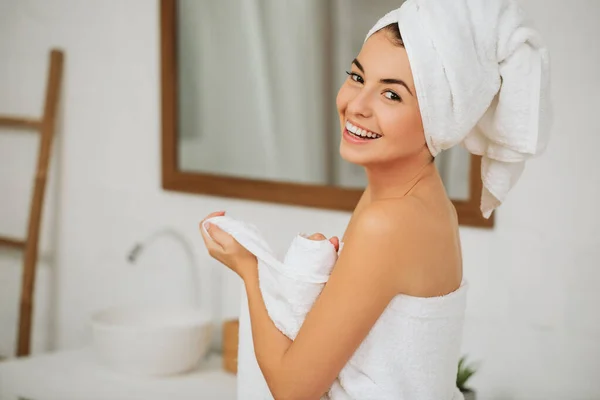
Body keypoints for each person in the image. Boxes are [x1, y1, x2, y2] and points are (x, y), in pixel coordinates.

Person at [200, 0, 550, 398]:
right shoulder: (417, 200)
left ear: (438, 118)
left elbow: (293, 389)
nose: (357, 105)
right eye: (356, 76)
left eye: (392, 96)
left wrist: (249, 269)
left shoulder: (389, 220)